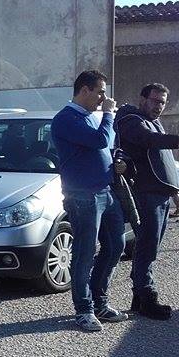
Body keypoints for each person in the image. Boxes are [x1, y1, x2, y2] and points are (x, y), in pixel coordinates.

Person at [115, 83, 179, 320]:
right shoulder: (131, 120)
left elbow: (162, 162)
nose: (159, 106)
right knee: (147, 246)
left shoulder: (153, 121)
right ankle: (146, 296)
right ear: (142, 99)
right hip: (145, 194)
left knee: (151, 246)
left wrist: (175, 193)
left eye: (162, 102)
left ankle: (140, 297)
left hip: (160, 194)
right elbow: (150, 140)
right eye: (155, 101)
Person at [51, 70, 128, 332]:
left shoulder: (90, 118)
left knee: (116, 245)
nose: (103, 98)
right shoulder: (65, 119)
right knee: (84, 253)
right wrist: (108, 114)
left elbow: (107, 146)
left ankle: (100, 302)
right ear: (84, 90)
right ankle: (84, 310)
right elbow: (99, 140)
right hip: (82, 195)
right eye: (100, 92)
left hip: (105, 192)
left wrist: (117, 162)